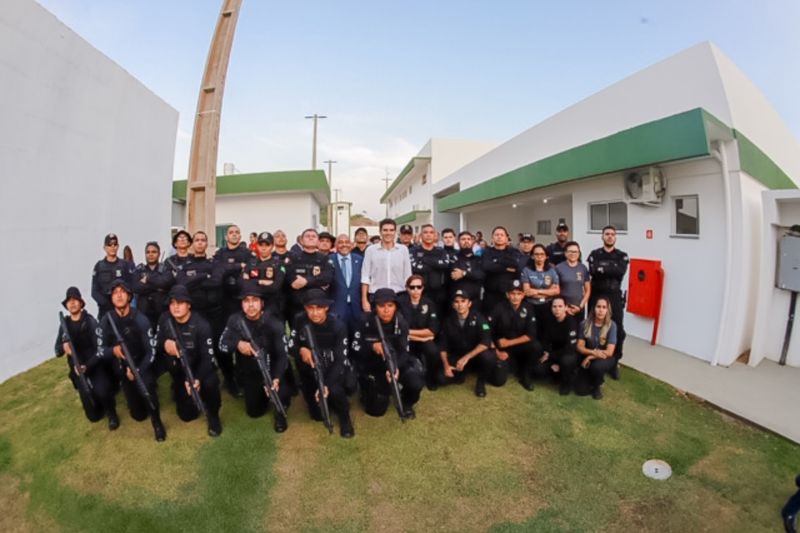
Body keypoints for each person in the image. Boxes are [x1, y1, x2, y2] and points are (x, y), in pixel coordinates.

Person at [97, 279, 166, 441]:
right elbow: (100, 351)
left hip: (142, 364)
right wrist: (113, 350)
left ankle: (157, 422)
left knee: (148, 393)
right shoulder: (106, 321)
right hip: (122, 366)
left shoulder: (140, 319)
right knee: (138, 415)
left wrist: (138, 370)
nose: (119, 295)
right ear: (111, 298)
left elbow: (151, 351)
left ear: (129, 296)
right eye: (115, 293)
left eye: (122, 292)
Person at [219, 287, 292, 432]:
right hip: (250, 372)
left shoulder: (274, 323)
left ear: (262, 303)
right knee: (254, 412)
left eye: (255, 300)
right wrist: (237, 344)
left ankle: (280, 409)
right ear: (241, 304)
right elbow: (222, 345)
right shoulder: (235, 320)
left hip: (272, 369)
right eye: (246, 301)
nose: (250, 305)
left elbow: (282, 356)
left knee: (280, 394)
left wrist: (276, 379)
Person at [156, 286, 222, 437]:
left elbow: (208, 358)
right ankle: (178, 389)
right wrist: (165, 344)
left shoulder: (202, 325)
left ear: (189, 304)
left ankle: (213, 416)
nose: (176, 307)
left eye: (180, 303)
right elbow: (156, 342)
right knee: (187, 416)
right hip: (179, 370)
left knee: (211, 383)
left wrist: (197, 378)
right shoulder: (165, 319)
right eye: (172, 303)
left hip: (200, 368)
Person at [290, 289, 354, 438]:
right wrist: (301, 350)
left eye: (319, 308)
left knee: (336, 391)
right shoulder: (299, 320)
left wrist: (326, 384)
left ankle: (345, 417)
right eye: (310, 308)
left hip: (332, 369)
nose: (315, 313)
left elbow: (340, 360)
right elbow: (290, 346)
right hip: (310, 371)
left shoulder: (338, 326)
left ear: (326, 307)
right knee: (318, 416)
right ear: (305, 308)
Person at [55, 287, 118, 428]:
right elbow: (57, 351)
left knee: (103, 392)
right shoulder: (64, 325)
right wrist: (64, 347)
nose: (72, 303)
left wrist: (87, 366)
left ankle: (112, 413)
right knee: (94, 416)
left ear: (81, 303)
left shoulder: (90, 321)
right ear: (66, 305)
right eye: (69, 301)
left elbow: (100, 349)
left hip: (93, 364)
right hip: (77, 369)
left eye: (75, 300)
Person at [357, 288, 424, 418]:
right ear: (375, 307)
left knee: (415, 382)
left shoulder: (402, 323)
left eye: (390, 305)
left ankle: (407, 403)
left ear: (395, 307)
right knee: (376, 411)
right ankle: (366, 390)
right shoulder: (364, 321)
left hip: (396, 362)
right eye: (381, 306)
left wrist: (395, 367)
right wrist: (372, 346)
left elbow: (405, 352)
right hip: (374, 365)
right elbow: (355, 348)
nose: (386, 310)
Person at [438, 289, 508, 397]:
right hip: (459, 355)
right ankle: (460, 376)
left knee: (488, 356)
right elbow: (443, 346)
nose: (460, 305)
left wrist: (466, 358)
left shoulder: (479, 318)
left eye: (463, 301)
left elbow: (486, 342)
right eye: (456, 302)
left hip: (476, 356)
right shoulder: (448, 321)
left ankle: (480, 383)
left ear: (469, 304)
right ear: (453, 305)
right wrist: (446, 365)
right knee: (440, 379)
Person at [587, 225, 629, 379]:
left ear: (615, 237)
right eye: (607, 234)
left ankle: (614, 361)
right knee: (591, 327)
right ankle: (592, 356)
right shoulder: (595, 254)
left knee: (618, 330)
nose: (610, 236)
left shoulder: (622, 255)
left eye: (612, 234)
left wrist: (602, 268)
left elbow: (620, 271)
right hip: (596, 294)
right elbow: (593, 271)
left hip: (614, 296)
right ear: (602, 236)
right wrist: (610, 267)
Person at [489, 280, 544, 391]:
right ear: (507, 295)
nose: (515, 297)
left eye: (519, 294)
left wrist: (509, 343)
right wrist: (497, 352)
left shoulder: (528, 308)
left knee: (536, 347)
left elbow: (531, 335)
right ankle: (510, 366)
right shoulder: (498, 307)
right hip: (502, 348)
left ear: (523, 295)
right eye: (513, 294)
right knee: (498, 381)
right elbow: (487, 330)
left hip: (518, 346)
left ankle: (525, 375)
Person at [397, 275, 441, 390]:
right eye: (412, 287)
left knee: (433, 351)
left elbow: (432, 330)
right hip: (406, 340)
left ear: (423, 288)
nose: (416, 290)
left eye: (419, 287)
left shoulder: (429, 303)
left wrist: (409, 333)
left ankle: (430, 379)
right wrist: (422, 336)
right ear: (407, 288)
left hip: (419, 340)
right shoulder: (400, 303)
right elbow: (400, 330)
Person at [361, 218, 412, 313]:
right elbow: (365, 276)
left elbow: (408, 276)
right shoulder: (370, 250)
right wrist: (364, 299)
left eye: (391, 230)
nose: (388, 233)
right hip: (376, 296)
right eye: (385, 230)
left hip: (399, 295)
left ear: (395, 232)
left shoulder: (403, 250)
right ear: (380, 232)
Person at [286, 228, 334, 325]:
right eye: (307, 236)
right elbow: (289, 277)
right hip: (297, 305)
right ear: (301, 240)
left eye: (313, 236)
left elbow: (327, 278)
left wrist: (307, 281)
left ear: (318, 241)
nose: (310, 238)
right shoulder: (293, 257)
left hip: (318, 306)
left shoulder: (325, 259)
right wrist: (316, 281)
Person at [575, 297, 617, 400]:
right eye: (598, 307)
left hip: (605, 358)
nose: (601, 310)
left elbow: (610, 352)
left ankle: (597, 386)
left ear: (607, 310)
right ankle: (590, 378)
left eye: (604, 307)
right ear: (594, 308)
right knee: (580, 391)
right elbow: (579, 347)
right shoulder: (584, 324)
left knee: (597, 367)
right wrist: (592, 352)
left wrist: (590, 357)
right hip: (589, 354)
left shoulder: (612, 326)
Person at [540, 296, 580, 395]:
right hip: (554, 354)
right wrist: (547, 352)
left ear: (566, 307)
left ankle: (566, 383)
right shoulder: (550, 321)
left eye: (560, 306)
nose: (557, 309)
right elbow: (545, 340)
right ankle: (555, 374)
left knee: (565, 361)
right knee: (538, 370)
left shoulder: (571, 323)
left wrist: (551, 356)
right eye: (554, 306)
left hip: (569, 355)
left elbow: (570, 348)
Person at [242, 231, 287, 320]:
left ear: (272, 246)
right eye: (261, 245)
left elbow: (275, 287)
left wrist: (252, 282)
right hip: (253, 308)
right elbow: (243, 284)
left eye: (267, 245)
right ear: (257, 245)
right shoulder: (251, 263)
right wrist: (261, 282)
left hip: (273, 307)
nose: (263, 248)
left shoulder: (279, 264)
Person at [409, 224, 451, 317]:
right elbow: (415, 267)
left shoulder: (441, 251)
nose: (428, 235)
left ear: (435, 235)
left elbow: (445, 264)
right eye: (425, 232)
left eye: (431, 232)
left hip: (438, 294)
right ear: (421, 235)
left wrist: (424, 260)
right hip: (419, 294)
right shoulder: (413, 251)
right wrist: (436, 263)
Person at [214, 224, 253, 320]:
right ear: (226, 237)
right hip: (223, 297)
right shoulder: (220, 253)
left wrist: (228, 268)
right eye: (231, 233)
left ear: (240, 236)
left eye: (237, 232)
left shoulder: (247, 253)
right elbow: (218, 269)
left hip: (242, 297)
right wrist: (239, 266)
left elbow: (251, 270)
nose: (234, 234)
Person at [131, 241, 174, 327]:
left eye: (154, 252)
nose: (150, 254)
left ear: (159, 254)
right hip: (144, 314)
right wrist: (157, 286)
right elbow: (135, 288)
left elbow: (164, 283)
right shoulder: (139, 270)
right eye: (148, 252)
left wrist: (147, 279)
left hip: (162, 313)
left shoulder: (165, 269)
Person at [481, 226, 522, 316]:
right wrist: (505, 268)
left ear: (507, 238)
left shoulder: (513, 252)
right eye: (496, 235)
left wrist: (496, 261)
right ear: (492, 238)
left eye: (502, 235)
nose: (499, 237)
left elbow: (515, 264)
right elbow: (487, 266)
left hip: (508, 296)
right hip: (490, 296)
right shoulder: (486, 252)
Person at [91, 233, 133, 319]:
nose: (112, 247)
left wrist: (122, 303)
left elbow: (130, 287)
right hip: (105, 311)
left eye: (115, 245)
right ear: (105, 248)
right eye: (109, 245)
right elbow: (94, 292)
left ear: (118, 246)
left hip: (122, 311)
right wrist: (107, 303)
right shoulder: (99, 266)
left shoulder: (124, 265)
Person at [331, 233, 364, 336]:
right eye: (340, 242)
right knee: (338, 338)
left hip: (356, 307)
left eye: (347, 242)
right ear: (336, 245)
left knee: (356, 338)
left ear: (351, 244)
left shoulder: (360, 260)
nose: (344, 245)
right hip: (336, 307)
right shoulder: (329, 260)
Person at [521, 243, 560, 327]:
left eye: (542, 254)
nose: (539, 257)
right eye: (537, 254)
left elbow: (556, 291)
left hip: (547, 305)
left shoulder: (551, 270)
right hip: (531, 305)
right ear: (532, 256)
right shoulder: (526, 270)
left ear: (546, 256)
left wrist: (536, 291)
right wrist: (548, 292)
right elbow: (527, 292)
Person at [555, 241, 591, 319]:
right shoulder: (559, 268)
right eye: (570, 251)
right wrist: (564, 308)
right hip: (563, 309)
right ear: (565, 253)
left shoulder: (583, 268)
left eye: (575, 252)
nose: (573, 254)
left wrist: (580, 306)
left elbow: (588, 290)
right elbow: (555, 289)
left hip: (579, 308)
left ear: (579, 253)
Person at [450, 231, 485, 304]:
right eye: (463, 239)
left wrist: (464, 273)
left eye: (468, 239)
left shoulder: (478, 259)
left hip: (475, 301)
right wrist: (473, 275)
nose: (466, 241)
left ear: (472, 242)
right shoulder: (454, 258)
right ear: (458, 242)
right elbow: (455, 275)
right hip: (458, 301)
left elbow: (480, 275)